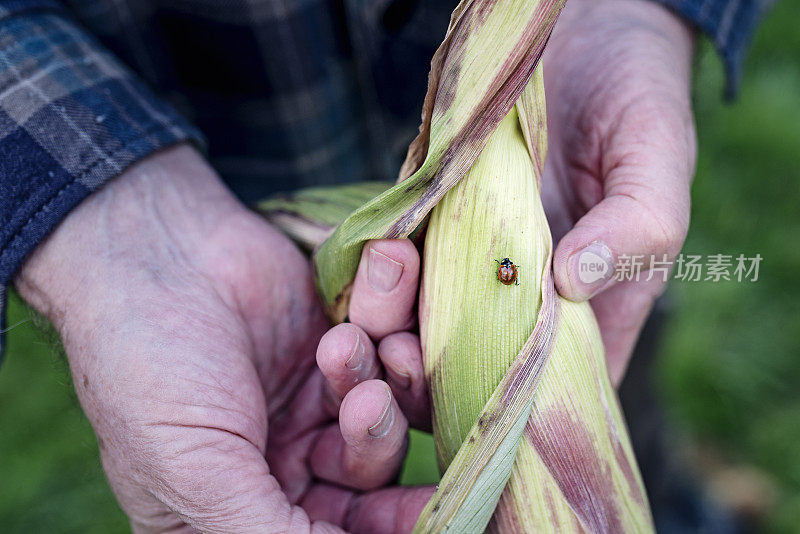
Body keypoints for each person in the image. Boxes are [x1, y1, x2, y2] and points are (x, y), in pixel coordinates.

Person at [0, 0, 765, 532]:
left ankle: (676, 504)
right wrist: (112, 216)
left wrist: (634, 13)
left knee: (624, 357)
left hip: (559, 155)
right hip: (208, 133)